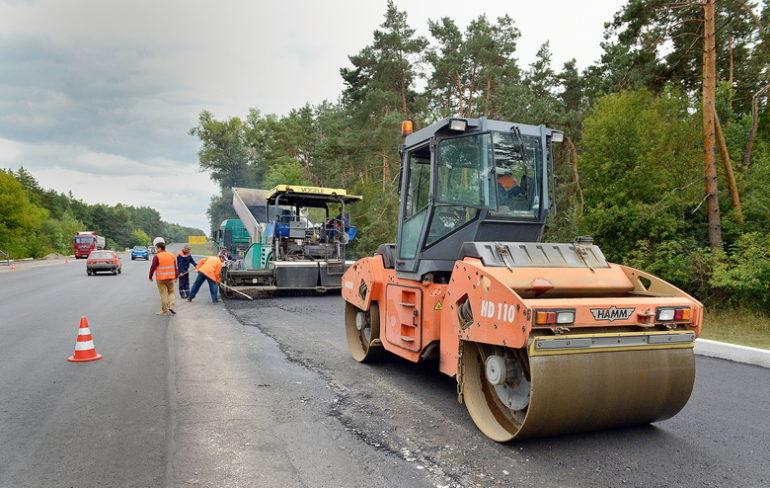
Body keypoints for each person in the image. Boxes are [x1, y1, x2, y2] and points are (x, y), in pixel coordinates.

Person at [148, 242, 178, 315]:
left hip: (161, 279)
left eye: (156, 248)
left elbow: (153, 267)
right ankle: (171, 305)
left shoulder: (157, 256)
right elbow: (175, 267)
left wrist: (150, 276)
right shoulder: (172, 255)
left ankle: (164, 311)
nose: (156, 249)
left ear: (160, 248)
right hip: (170, 278)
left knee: (163, 294)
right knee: (171, 292)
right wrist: (176, 276)